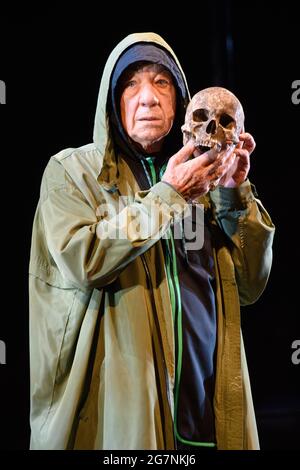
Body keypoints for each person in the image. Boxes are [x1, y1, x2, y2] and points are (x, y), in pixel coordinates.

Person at [29, 32, 275, 450]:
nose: (147, 97)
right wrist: (170, 195)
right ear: (112, 100)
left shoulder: (203, 176)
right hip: (124, 416)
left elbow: (250, 286)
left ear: (181, 104)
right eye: (131, 83)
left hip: (206, 410)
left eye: (162, 83)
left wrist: (235, 192)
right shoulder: (73, 172)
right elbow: (85, 261)